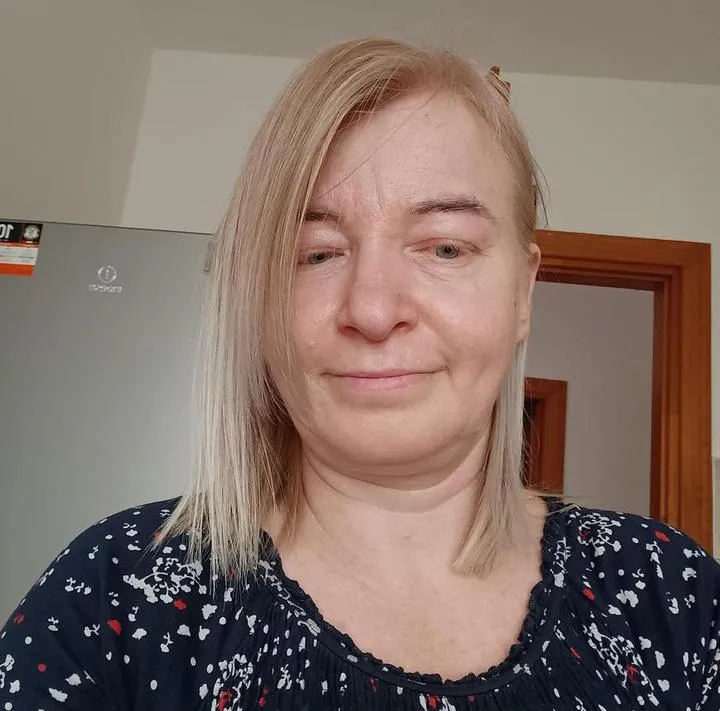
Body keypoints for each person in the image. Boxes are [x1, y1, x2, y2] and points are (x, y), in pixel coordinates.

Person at [1, 38, 718, 711]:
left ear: (522, 293)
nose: (373, 310)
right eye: (316, 253)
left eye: (444, 247)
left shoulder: (667, 590)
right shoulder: (115, 592)